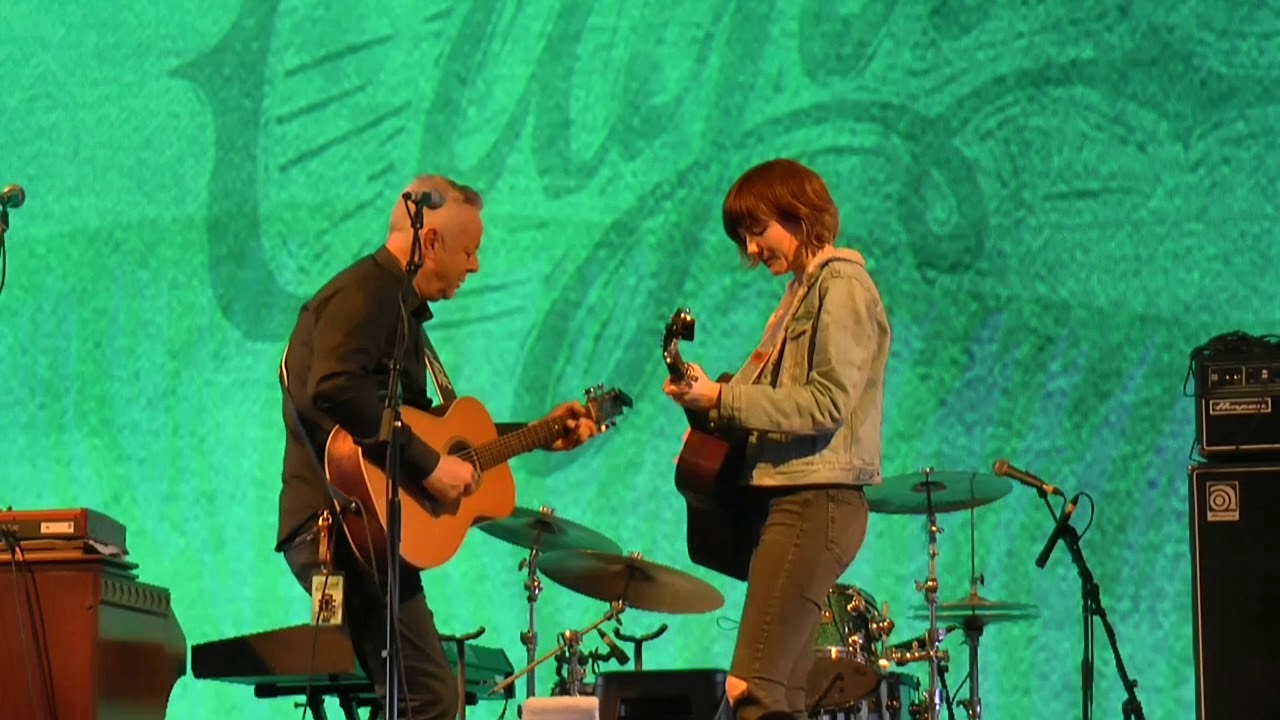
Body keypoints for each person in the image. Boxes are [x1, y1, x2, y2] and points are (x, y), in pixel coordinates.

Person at [275, 175, 600, 720]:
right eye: (470, 251)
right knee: (427, 698)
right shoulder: (367, 292)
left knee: (416, 700)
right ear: (429, 243)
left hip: (371, 529)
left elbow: (424, 428)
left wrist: (539, 431)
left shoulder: (396, 312)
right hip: (344, 526)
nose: (474, 266)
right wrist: (426, 467)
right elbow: (333, 388)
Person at [663, 158, 892, 720]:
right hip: (795, 501)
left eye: (758, 228)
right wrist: (707, 404)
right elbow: (765, 409)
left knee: (754, 691)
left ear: (799, 212)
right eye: (743, 236)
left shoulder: (841, 285)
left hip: (816, 501)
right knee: (782, 695)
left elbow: (825, 403)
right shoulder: (798, 297)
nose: (751, 246)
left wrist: (723, 400)